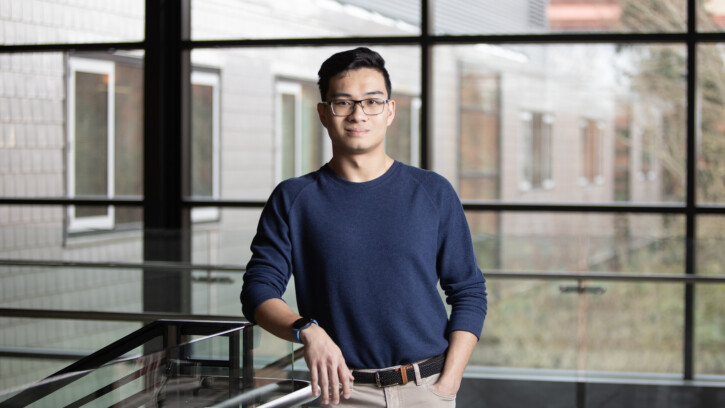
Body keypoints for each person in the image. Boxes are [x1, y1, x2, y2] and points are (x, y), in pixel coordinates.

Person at [241, 47, 487, 407]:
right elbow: (258, 291)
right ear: (324, 114)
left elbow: (468, 291)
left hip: (427, 388)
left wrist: (448, 383)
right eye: (343, 102)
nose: (358, 114)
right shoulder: (294, 199)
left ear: (389, 111)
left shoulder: (433, 192)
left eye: (372, 101)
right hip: (341, 391)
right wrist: (307, 330)